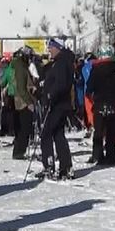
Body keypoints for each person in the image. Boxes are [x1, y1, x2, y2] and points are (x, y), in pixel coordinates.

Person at [39, 38, 76, 179]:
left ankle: (49, 166)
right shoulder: (61, 61)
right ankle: (65, 167)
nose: (49, 50)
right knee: (58, 134)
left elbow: (61, 84)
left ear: (58, 48)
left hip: (56, 104)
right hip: (59, 103)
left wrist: (50, 95)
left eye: (51, 47)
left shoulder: (61, 63)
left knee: (46, 133)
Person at [87, 47, 115, 165]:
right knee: (111, 131)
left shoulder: (95, 69)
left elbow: (89, 88)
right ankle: (111, 156)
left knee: (98, 131)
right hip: (113, 102)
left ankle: (97, 155)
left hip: (99, 103)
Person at [6, 49, 37, 160]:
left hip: (18, 100)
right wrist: (29, 102)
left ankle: (19, 151)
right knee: (24, 128)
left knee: (22, 127)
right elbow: (21, 87)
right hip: (22, 102)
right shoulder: (21, 67)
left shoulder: (17, 66)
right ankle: (19, 151)